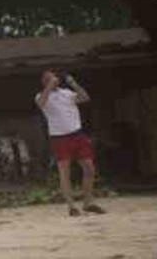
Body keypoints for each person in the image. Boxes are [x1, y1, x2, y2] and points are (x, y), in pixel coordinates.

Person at [36, 70, 105, 216]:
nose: (52, 79)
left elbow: (85, 97)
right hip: (59, 138)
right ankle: (71, 206)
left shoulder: (66, 93)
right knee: (65, 172)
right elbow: (41, 103)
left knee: (89, 169)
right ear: (43, 82)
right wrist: (49, 87)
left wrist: (73, 83)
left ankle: (88, 202)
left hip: (77, 134)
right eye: (47, 79)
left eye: (53, 77)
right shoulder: (41, 96)